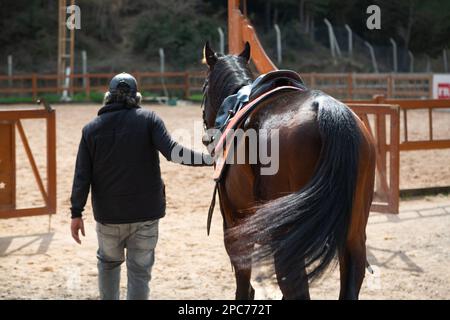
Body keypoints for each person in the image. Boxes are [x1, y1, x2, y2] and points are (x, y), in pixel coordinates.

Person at [69, 72, 212, 300]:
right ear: (137, 97)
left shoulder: (90, 130)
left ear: (108, 97)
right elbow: (174, 153)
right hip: (145, 214)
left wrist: (76, 213)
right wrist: (209, 159)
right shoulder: (149, 120)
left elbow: (81, 176)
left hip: (108, 216)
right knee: (139, 272)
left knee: (108, 265)